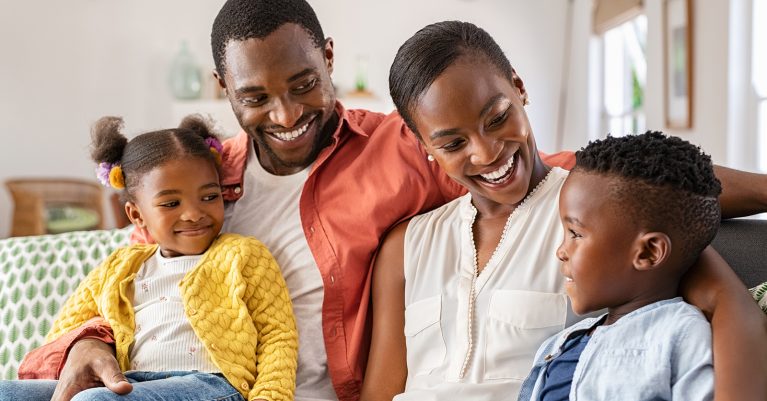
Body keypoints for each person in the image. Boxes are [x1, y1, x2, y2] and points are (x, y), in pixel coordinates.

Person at [21, 2, 767, 401]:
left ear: (329, 61)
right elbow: (132, 280)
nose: (284, 113)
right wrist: (93, 340)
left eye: (302, 84)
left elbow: (612, 188)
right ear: (225, 94)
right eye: (256, 97)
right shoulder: (205, 186)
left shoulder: (405, 150)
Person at [362, 20, 767, 401]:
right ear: (424, 147)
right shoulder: (405, 248)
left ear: (519, 88)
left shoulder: (593, 217)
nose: (486, 153)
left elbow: (681, 188)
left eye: (498, 118)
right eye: (452, 144)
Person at [4, 116, 298, 401]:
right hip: (131, 385)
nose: (194, 213)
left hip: (212, 385)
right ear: (136, 215)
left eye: (209, 197)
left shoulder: (243, 255)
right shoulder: (120, 266)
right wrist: (90, 345)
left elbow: (278, 335)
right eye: (171, 203)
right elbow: (65, 331)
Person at [517, 131, 718, 401]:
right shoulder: (559, 344)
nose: (561, 251)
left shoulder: (681, 334)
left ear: (648, 252)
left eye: (575, 233)